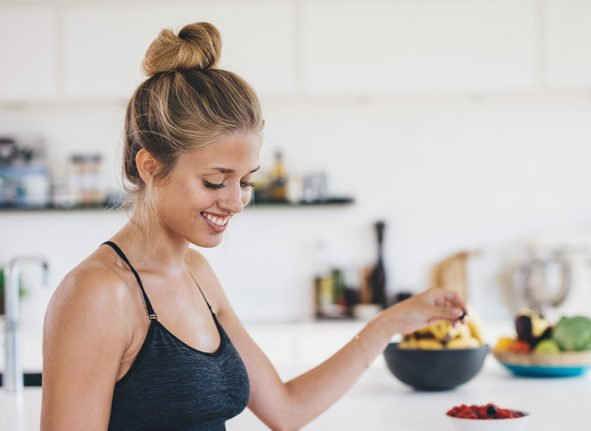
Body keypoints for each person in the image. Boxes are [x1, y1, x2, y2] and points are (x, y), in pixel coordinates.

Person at [41, 22, 466, 431]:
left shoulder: (196, 275)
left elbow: (286, 409)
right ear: (151, 166)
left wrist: (390, 323)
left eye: (246, 182)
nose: (235, 201)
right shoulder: (97, 294)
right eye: (214, 181)